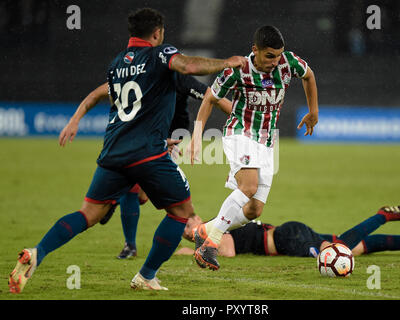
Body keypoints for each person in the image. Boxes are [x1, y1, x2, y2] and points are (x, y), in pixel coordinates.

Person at [8, 7, 246, 293]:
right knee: (182, 212)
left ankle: (38, 252)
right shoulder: (161, 55)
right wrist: (228, 62)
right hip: (147, 153)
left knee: (88, 214)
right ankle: (146, 275)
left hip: (113, 153)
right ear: (157, 33)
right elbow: (189, 66)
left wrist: (76, 119)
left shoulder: (117, 64)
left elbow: (117, 99)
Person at [188, 25, 319, 270]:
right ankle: (209, 244)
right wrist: (197, 135)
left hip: (267, 142)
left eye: (278, 55)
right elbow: (210, 99)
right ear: (254, 50)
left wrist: (314, 111)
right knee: (248, 187)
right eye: (270, 56)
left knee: (253, 211)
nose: (275, 61)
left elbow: (309, 76)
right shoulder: (237, 71)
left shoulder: (288, 63)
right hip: (240, 133)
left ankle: (204, 230)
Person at [62, 73, 232, 260]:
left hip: (171, 139)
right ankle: (130, 246)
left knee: (141, 194)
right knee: (134, 186)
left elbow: (212, 95)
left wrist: (241, 117)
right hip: (143, 138)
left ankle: (114, 196)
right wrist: (75, 119)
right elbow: (97, 93)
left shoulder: (178, 77)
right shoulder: (140, 74)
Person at [176, 206, 400, 258]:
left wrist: (196, 251)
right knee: (355, 248)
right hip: (288, 234)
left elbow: (230, 251)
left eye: (187, 225)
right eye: (185, 232)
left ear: (197, 216)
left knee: (338, 250)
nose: (188, 232)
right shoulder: (217, 223)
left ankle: (381, 215)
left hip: (284, 239)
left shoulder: (216, 225)